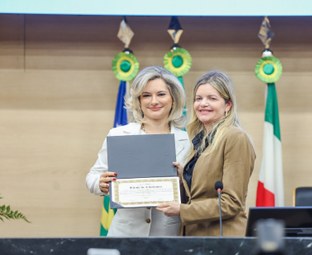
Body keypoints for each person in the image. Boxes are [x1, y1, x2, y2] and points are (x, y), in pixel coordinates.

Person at [86, 66, 191, 237]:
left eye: (161, 94)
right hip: (125, 234)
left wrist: (183, 179)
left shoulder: (188, 142)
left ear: (173, 98)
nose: (154, 101)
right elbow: (91, 177)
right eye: (146, 95)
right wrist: (100, 183)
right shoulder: (119, 135)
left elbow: (196, 192)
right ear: (138, 100)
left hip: (167, 235)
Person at [157, 70, 256, 236]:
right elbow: (201, 191)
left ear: (228, 105)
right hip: (196, 236)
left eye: (212, 98)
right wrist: (183, 175)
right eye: (198, 98)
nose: (203, 104)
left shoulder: (235, 137)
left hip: (222, 238)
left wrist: (182, 210)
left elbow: (231, 203)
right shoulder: (199, 141)